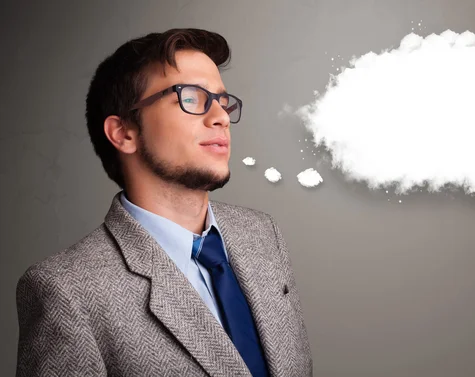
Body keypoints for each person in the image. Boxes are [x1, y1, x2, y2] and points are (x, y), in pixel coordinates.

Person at [15, 28, 312, 377]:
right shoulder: (66, 290)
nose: (220, 117)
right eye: (192, 96)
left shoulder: (264, 236)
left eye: (221, 100)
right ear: (124, 133)